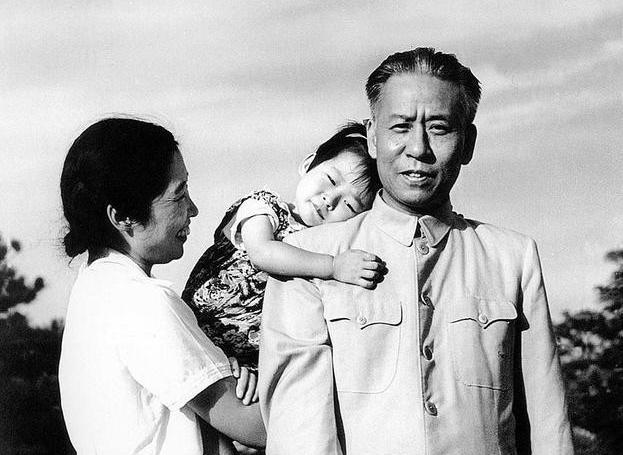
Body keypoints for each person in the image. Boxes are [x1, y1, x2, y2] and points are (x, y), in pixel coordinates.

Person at [258, 48, 573, 454]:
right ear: (373, 137)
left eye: (439, 128)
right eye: (401, 127)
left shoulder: (513, 257)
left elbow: (548, 424)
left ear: (468, 143)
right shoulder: (306, 257)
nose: (418, 148)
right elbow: (299, 433)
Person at [58, 118, 265, 455]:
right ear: (123, 217)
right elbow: (255, 426)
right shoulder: (141, 301)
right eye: (178, 195)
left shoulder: (95, 287)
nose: (193, 209)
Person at [182, 122, 385, 374]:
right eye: (331, 180)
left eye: (349, 204)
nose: (330, 199)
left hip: (248, 362)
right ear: (308, 164)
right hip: (198, 328)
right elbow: (262, 252)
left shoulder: (327, 245)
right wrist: (333, 266)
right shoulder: (265, 207)